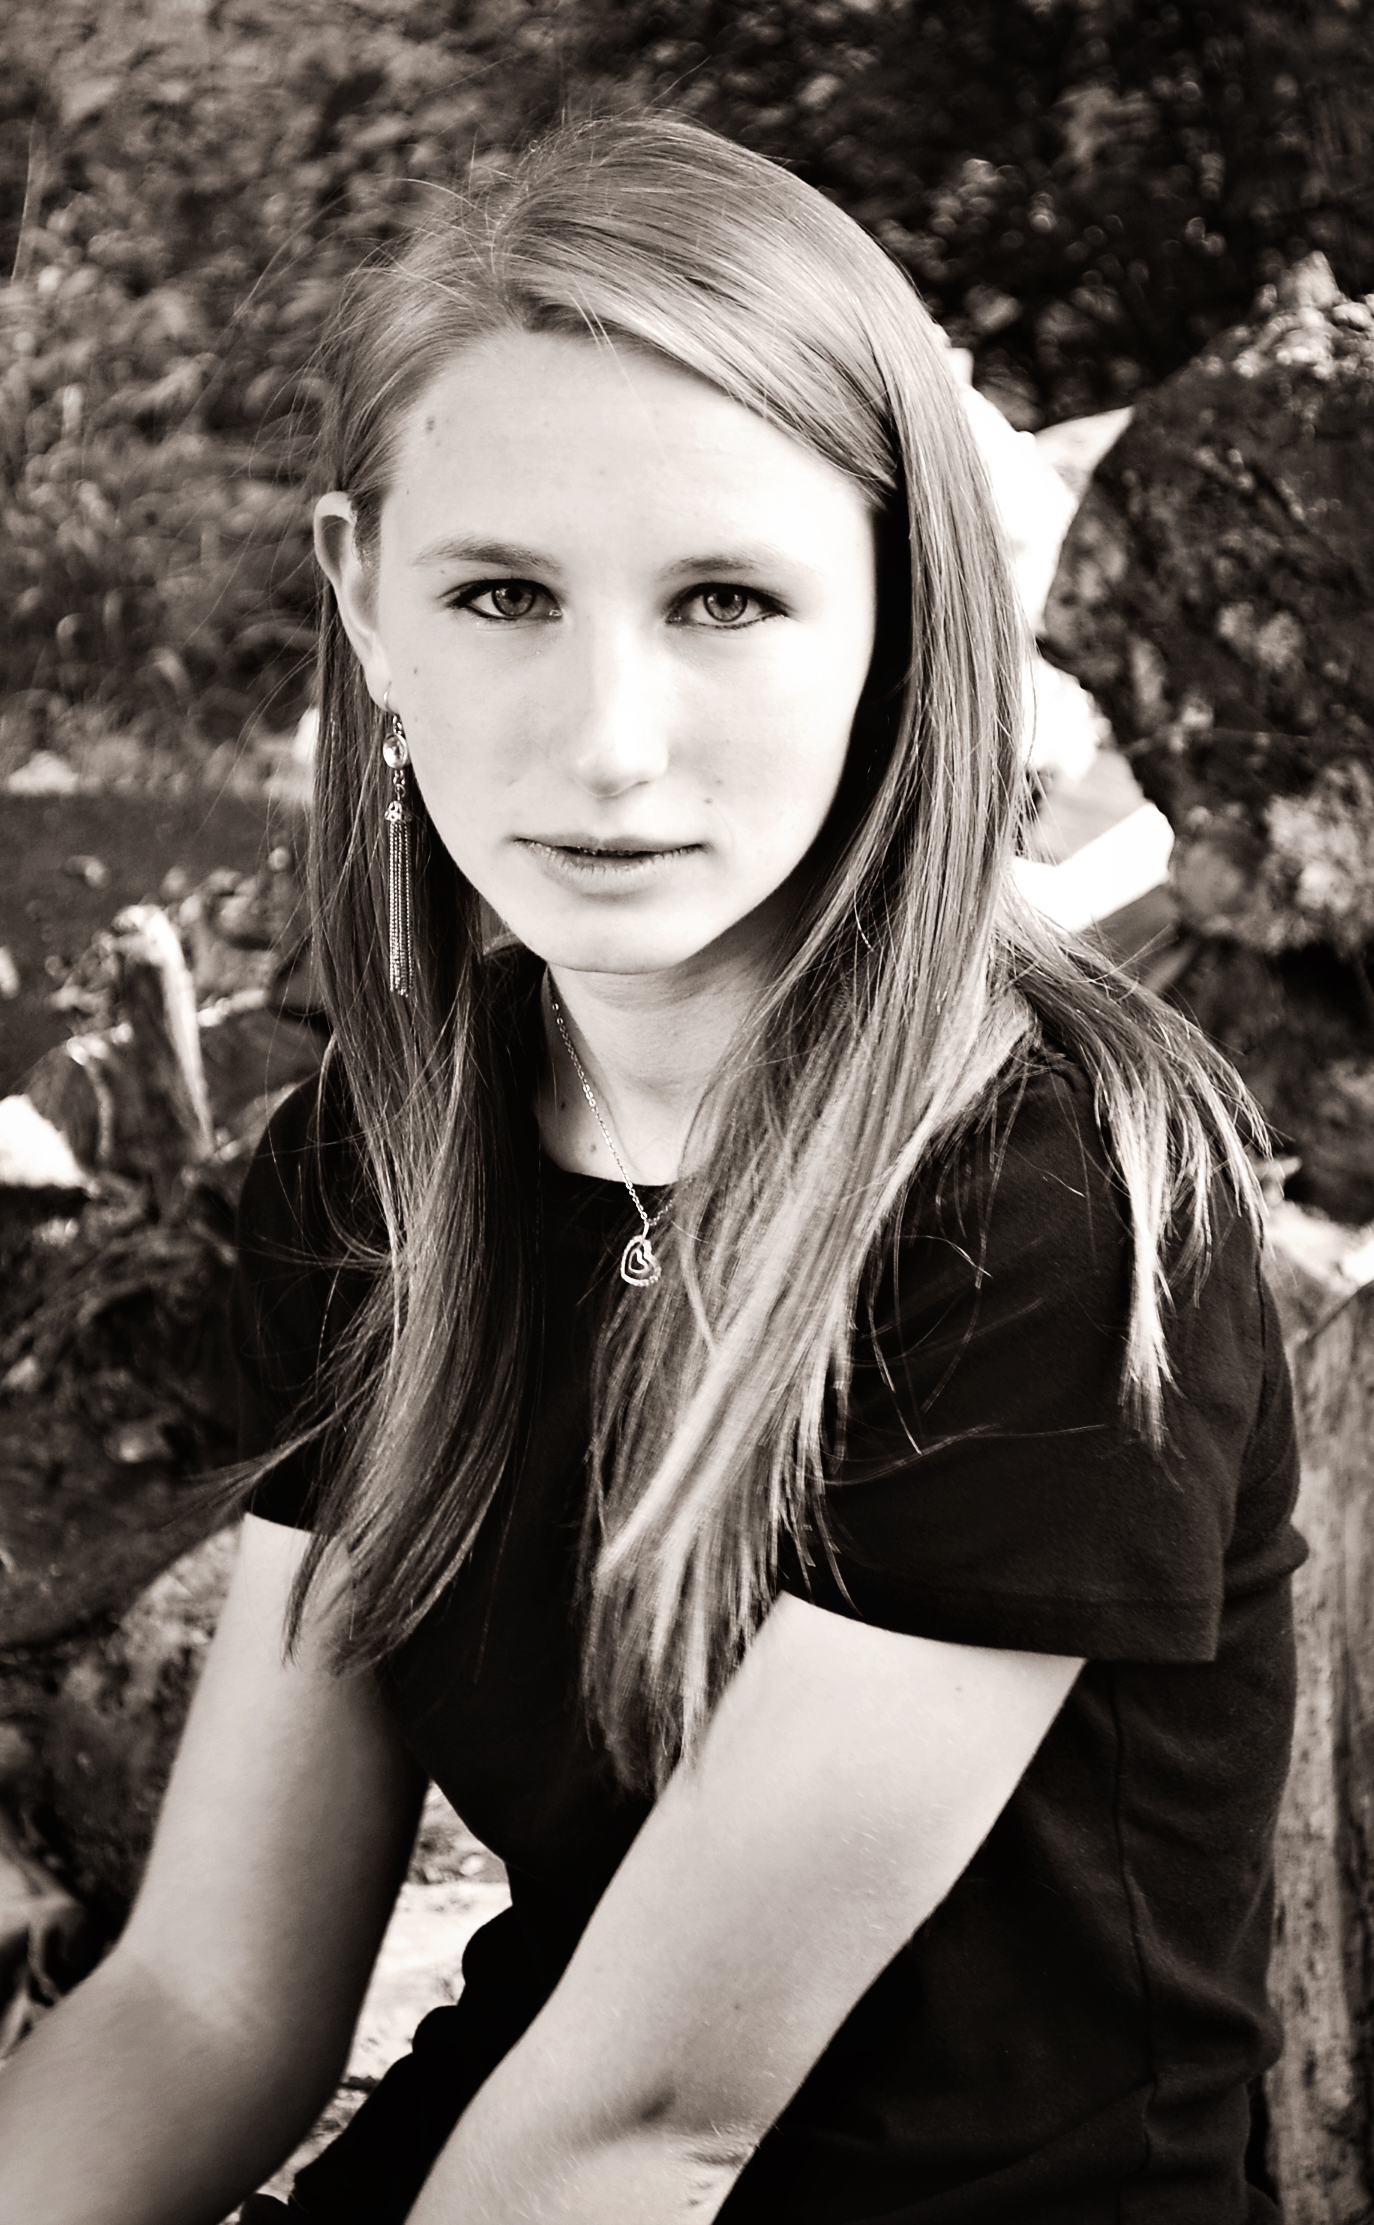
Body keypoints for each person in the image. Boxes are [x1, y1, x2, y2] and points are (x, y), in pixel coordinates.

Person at [0, 114, 1303, 2225]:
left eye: (726, 599)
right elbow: (209, 2007)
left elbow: (653, 2128)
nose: (609, 742)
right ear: (363, 593)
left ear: (898, 612)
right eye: (502, 592)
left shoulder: (1040, 1202)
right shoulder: (380, 1160)